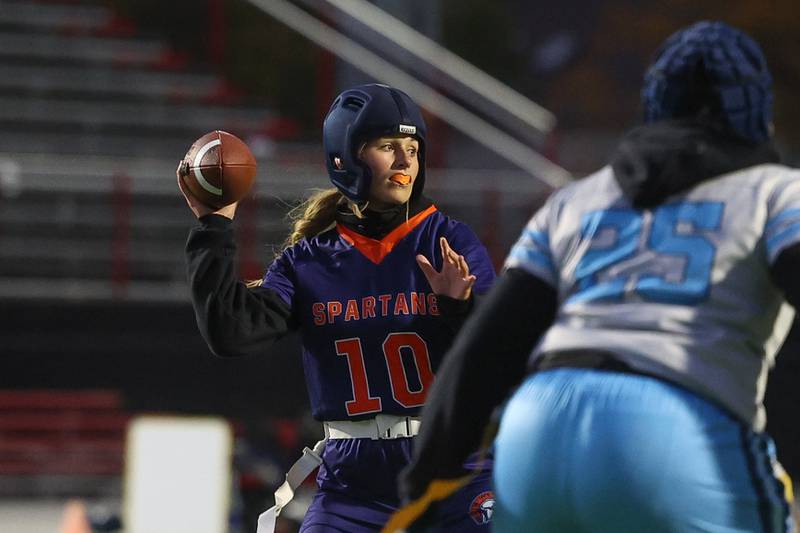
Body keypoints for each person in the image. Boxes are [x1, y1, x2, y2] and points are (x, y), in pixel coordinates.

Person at [392, 21, 798, 533]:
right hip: (681, 426)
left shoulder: (577, 200)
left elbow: (484, 349)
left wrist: (426, 481)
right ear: (756, 113)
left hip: (536, 428)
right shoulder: (779, 192)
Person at [178, 83, 497, 532]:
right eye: (388, 146)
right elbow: (231, 333)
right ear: (345, 156)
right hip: (353, 483)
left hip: (454, 470)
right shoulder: (306, 261)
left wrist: (460, 307)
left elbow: (504, 358)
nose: (406, 161)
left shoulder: (449, 242)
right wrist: (213, 226)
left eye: (412, 147)